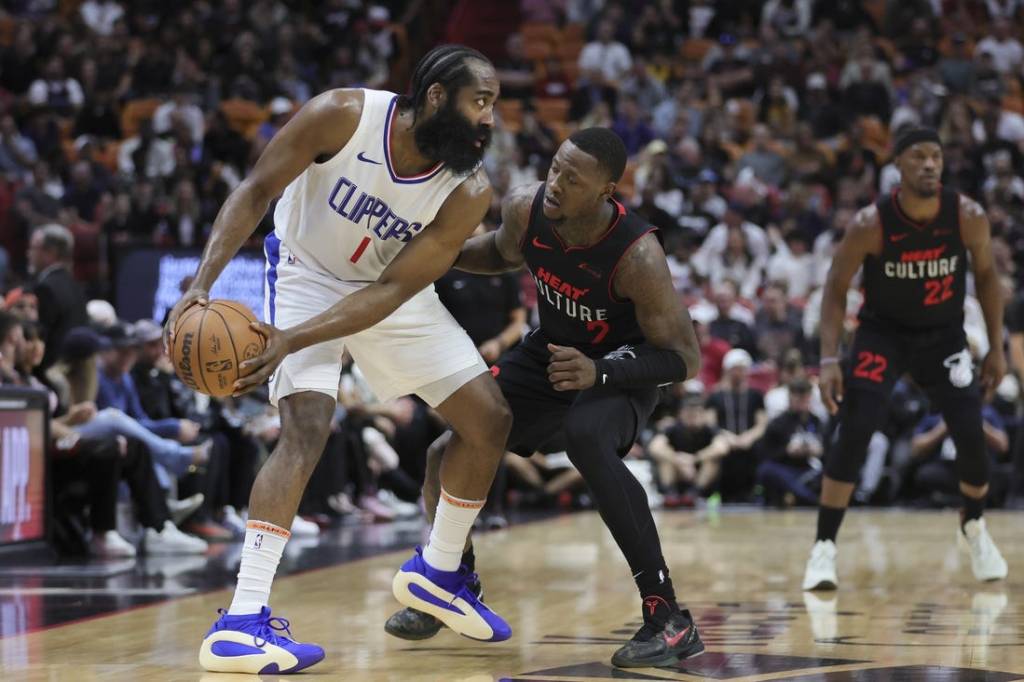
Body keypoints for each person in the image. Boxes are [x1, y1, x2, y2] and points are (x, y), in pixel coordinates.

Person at [164, 45, 512, 674]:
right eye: (481, 102)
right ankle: (241, 621)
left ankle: (439, 571)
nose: (491, 120)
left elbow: (388, 294)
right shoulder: (342, 117)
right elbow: (257, 188)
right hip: (305, 274)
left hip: (388, 290)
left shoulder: (468, 191)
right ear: (436, 96)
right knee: (304, 431)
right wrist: (200, 284)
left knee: (488, 420)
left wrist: (290, 342)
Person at [384, 129, 706, 669]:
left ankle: (667, 617)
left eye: (572, 179)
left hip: (620, 369)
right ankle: (449, 580)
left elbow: (684, 360)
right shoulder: (527, 208)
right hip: (549, 355)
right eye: (555, 168)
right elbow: (501, 252)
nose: (555, 183)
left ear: (606, 192)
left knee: (586, 438)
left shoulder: (637, 256)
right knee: (447, 453)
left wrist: (599, 372)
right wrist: (443, 255)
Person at [803, 128, 1009, 592]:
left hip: (944, 335)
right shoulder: (870, 223)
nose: (930, 164)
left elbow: (989, 280)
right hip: (883, 334)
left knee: (971, 435)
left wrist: (997, 347)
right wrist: (830, 358)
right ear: (898, 164)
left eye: (936, 156)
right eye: (919, 156)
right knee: (856, 427)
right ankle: (824, 547)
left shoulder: (967, 216)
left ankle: (973, 526)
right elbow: (835, 289)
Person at [27, 224, 88, 372]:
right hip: (74, 373)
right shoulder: (76, 286)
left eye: (34, 248)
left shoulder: (45, 289)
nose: (28, 253)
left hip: (51, 375)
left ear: (50, 253)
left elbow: (42, 339)